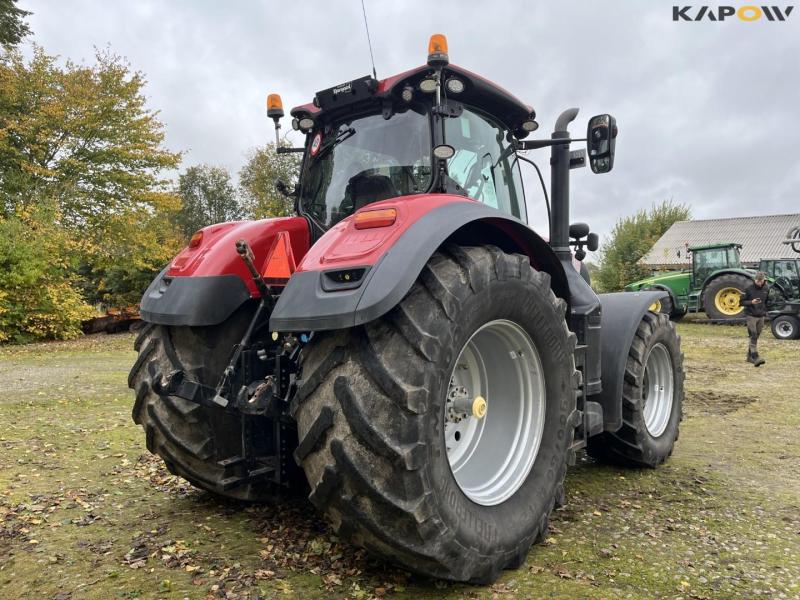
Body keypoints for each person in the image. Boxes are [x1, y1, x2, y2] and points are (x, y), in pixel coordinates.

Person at [739, 272, 769, 367]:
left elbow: (767, 301)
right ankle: (755, 357)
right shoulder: (748, 289)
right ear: (754, 280)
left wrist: (765, 311)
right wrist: (751, 302)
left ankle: (749, 356)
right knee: (753, 335)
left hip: (761, 316)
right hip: (751, 315)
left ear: (764, 280)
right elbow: (741, 302)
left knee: (757, 336)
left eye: (761, 281)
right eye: (757, 281)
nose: (759, 283)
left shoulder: (766, 289)